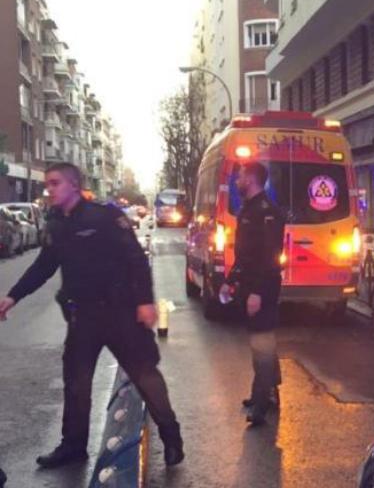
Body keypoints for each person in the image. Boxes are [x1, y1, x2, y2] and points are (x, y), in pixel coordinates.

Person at [0, 163, 183, 468]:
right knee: (76, 382)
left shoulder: (104, 216)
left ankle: (171, 435)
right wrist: (12, 296)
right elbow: (43, 266)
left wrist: (144, 302)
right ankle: (73, 446)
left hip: (120, 314)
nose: (50, 189)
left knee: (145, 376)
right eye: (48, 184)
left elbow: (136, 259)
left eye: (55, 183)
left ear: (73, 185)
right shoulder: (57, 222)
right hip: (82, 317)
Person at [221, 161, 286, 427]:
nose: (237, 180)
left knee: (262, 343)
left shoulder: (266, 212)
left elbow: (270, 258)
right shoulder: (247, 209)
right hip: (250, 284)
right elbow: (244, 254)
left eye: (240, 176)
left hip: (264, 286)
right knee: (261, 341)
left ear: (251, 179)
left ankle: (262, 403)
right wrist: (231, 280)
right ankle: (270, 391)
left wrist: (257, 292)